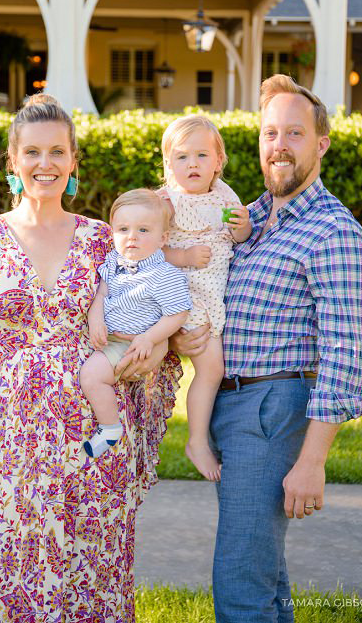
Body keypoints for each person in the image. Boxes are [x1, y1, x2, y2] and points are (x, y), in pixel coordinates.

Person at [0, 93, 183, 621]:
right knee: (10, 561)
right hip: (13, 436)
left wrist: (152, 352)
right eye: (33, 153)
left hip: (93, 432)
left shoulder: (103, 240)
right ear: (12, 161)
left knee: (93, 566)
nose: (46, 164)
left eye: (57, 152)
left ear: (74, 162)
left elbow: (157, 303)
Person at [172, 75, 362, 623]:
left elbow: (347, 356)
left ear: (321, 143)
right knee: (265, 574)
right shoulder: (248, 219)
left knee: (240, 575)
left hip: (273, 410)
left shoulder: (334, 232)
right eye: (268, 134)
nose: (279, 145)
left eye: (294, 133)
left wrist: (312, 462)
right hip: (230, 407)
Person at [156, 115, 251, 480]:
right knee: (212, 369)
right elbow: (143, 250)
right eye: (181, 157)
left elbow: (239, 237)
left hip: (211, 293)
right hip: (183, 293)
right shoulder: (166, 203)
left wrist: (242, 227)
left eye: (200, 156)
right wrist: (182, 257)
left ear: (218, 161)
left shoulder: (225, 195)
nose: (192, 164)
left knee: (210, 368)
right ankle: (196, 440)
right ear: (168, 165)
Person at [81, 189, 191, 457]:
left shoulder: (164, 274)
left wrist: (149, 338)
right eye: (123, 229)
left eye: (143, 230)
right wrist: (95, 318)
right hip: (108, 336)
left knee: (91, 376)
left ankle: (109, 428)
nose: (132, 236)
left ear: (163, 238)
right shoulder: (114, 262)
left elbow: (178, 313)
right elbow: (102, 292)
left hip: (129, 342)